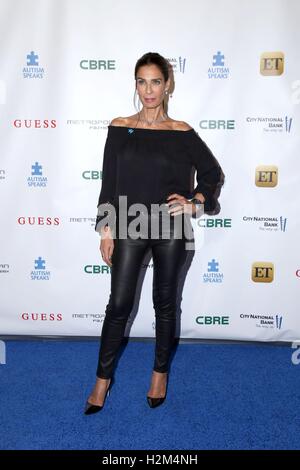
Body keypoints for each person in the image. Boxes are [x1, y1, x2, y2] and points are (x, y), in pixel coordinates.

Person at [84, 52, 224, 414]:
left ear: (168, 85)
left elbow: (212, 174)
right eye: (142, 81)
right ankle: (102, 380)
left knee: (165, 305)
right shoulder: (119, 126)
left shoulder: (182, 132)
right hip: (129, 221)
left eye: (156, 82)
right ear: (136, 84)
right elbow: (109, 183)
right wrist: (106, 229)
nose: (149, 90)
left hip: (171, 226)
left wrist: (195, 201)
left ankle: (159, 374)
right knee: (119, 305)